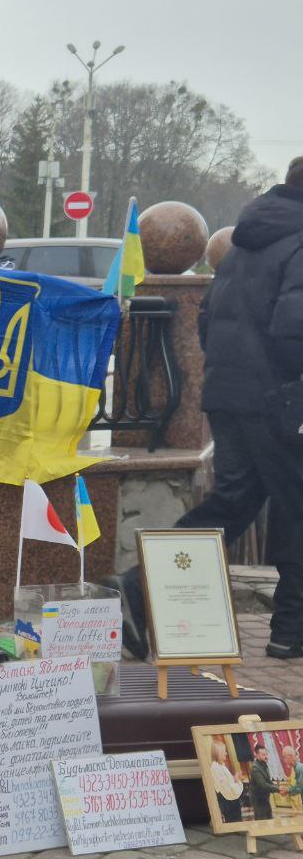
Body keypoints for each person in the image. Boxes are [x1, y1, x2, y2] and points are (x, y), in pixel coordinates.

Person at [105, 158, 303, 661]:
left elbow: (209, 318)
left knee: (233, 503)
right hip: (281, 398)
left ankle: (136, 585)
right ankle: (290, 632)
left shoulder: (246, 240)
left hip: (230, 395)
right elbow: (292, 330)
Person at [208, 738, 244, 823]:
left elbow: (227, 783)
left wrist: (234, 778)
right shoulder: (216, 768)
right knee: (233, 819)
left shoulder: (220, 766)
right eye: (224, 751)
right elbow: (226, 788)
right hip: (227, 800)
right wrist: (237, 781)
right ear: (218, 753)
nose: (226, 753)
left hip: (228, 799)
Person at [248, 743, 276, 820]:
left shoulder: (264, 764)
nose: (266, 756)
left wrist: (277, 788)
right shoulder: (255, 768)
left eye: (266, 754)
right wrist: (278, 790)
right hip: (258, 800)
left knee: (269, 817)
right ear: (257, 755)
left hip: (265, 798)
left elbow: (268, 781)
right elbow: (263, 785)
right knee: (262, 821)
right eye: (263, 754)